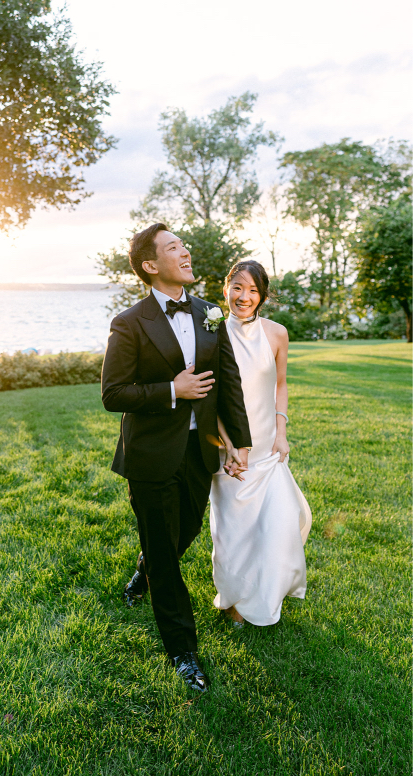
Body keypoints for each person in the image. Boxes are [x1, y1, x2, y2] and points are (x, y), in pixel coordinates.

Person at [101, 223, 252, 693]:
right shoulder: (130, 322)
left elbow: (228, 381)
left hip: (197, 452)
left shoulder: (209, 314)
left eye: (183, 244)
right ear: (150, 265)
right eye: (173, 248)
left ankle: (144, 568)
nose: (185, 251)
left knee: (181, 533)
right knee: (168, 555)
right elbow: (112, 393)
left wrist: (239, 441)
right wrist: (172, 389)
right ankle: (182, 650)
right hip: (149, 454)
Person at [210, 260, 312, 628]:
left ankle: (269, 590)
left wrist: (282, 431)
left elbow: (280, 385)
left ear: (263, 296)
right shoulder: (212, 334)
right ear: (226, 289)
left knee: (277, 523)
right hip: (232, 447)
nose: (244, 296)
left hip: (269, 445)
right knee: (234, 530)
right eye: (238, 287)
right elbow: (212, 397)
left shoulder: (277, 334)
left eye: (253, 290)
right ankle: (234, 600)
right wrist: (229, 444)